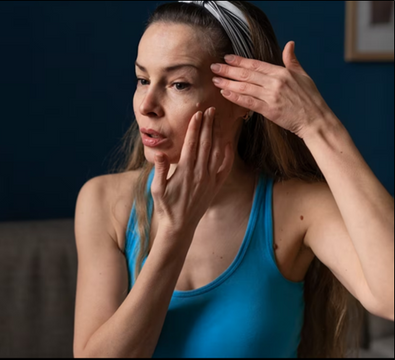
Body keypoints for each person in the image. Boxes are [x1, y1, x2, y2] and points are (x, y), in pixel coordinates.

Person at [72, 1, 394, 358]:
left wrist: (317, 125)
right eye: (142, 79)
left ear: (243, 99)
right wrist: (175, 235)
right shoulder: (104, 202)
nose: (147, 104)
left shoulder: (300, 209)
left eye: (179, 84)